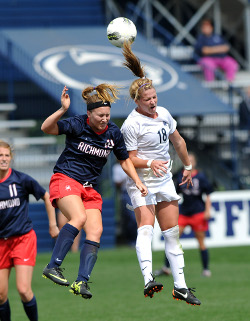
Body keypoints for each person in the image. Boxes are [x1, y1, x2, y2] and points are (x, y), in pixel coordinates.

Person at [41, 84, 148, 300]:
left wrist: (137, 180)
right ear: (89, 113)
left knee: (95, 231)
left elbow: (124, 160)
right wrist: (62, 109)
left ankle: (81, 281)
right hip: (66, 178)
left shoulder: (113, 133)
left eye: (107, 115)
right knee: (78, 217)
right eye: (100, 115)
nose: (104, 119)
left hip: (89, 188)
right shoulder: (77, 123)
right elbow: (46, 128)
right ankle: (53, 266)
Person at [120, 41, 201, 305]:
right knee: (146, 229)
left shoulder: (163, 113)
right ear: (137, 101)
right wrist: (150, 163)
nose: (153, 102)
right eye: (148, 100)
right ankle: (148, 279)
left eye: (155, 97)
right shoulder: (131, 124)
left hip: (165, 179)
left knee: (172, 232)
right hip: (141, 181)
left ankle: (181, 286)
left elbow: (178, 141)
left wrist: (187, 166)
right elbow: (130, 159)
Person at [0, 140, 59, 321]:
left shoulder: (21, 179)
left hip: (22, 239)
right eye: (0, 156)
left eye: (6, 155)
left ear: (11, 158)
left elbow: (46, 196)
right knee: (0, 295)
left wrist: (53, 224)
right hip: (1, 243)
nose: (3, 159)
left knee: (24, 290)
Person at [154, 152, 213, 278]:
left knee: (201, 241)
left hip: (198, 212)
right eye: (187, 159)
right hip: (184, 212)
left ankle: (206, 269)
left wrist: (208, 210)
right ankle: (166, 268)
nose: (189, 162)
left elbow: (208, 194)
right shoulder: (180, 175)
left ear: (195, 162)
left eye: (191, 160)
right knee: (172, 238)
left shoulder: (201, 177)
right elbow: (175, 193)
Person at [112, 161, 137, 246]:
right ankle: (131, 240)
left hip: (137, 191)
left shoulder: (135, 163)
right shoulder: (117, 167)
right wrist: (127, 176)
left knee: (137, 218)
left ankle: (136, 240)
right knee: (131, 218)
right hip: (126, 193)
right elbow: (117, 183)